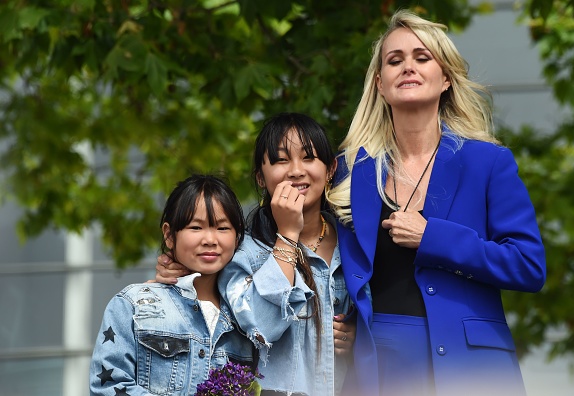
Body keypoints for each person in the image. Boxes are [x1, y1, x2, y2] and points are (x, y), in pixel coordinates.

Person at [326, 9, 546, 396]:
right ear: (379, 83)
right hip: (379, 368)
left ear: (445, 78)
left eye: (422, 57)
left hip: (473, 368)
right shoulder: (348, 171)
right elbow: (309, 247)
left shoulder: (488, 162)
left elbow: (528, 265)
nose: (407, 67)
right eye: (395, 60)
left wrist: (434, 238)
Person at [156, 113, 356, 396]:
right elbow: (262, 329)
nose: (296, 171)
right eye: (281, 160)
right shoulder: (245, 254)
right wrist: (287, 235)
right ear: (261, 178)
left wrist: (358, 337)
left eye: (308, 157)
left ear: (331, 169)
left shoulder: (356, 243)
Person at [90, 174, 255, 395]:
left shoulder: (247, 320)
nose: (210, 239)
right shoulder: (133, 305)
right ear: (169, 235)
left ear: (237, 238)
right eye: (196, 227)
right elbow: (108, 386)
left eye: (222, 228)